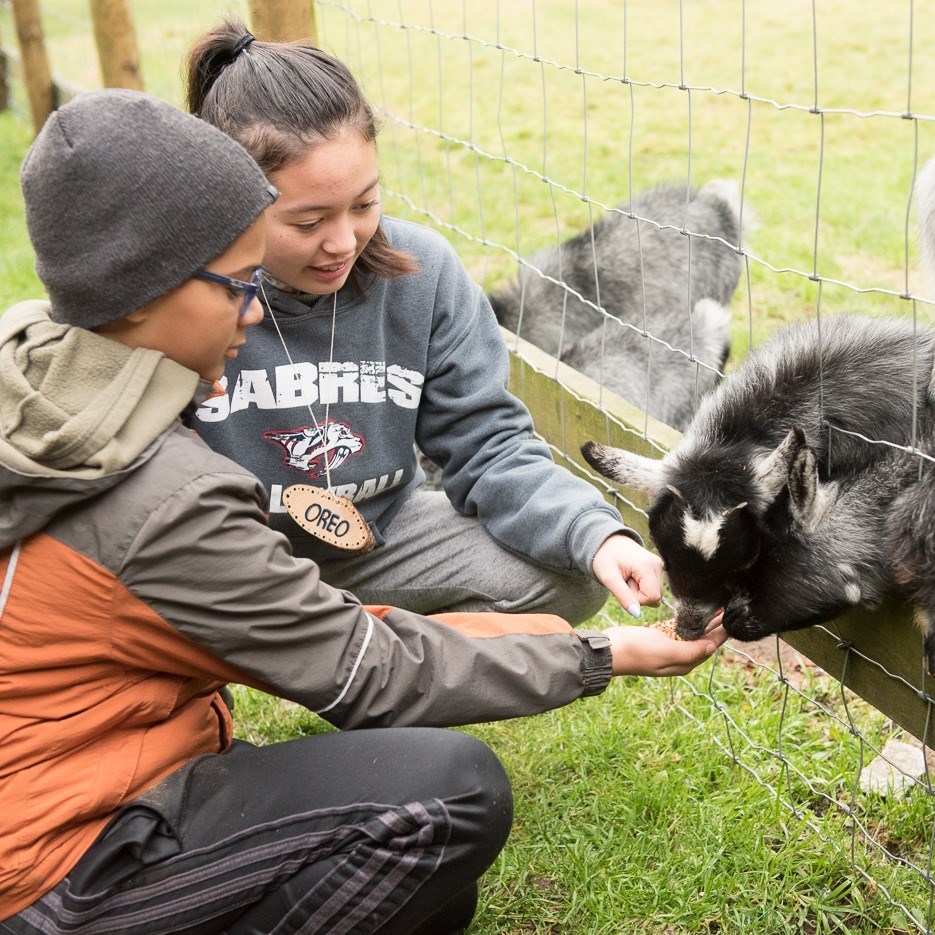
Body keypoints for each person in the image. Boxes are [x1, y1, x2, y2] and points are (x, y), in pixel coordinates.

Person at [0, 89, 726, 935]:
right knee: (448, 793)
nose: (249, 309)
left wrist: (585, 553)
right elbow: (370, 670)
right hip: (48, 865)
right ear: (141, 287)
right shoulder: (164, 495)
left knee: (431, 894)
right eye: (238, 283)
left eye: (367, 203)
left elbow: (482, 444)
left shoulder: (53, 385)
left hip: (105, 753)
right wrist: (600, 656)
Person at [185, 20, 664, 626]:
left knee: (566, 577)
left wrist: (595, 534)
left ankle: (376, 656)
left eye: (364, 204)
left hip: (375, 542)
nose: (343, 242)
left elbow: (487, 441)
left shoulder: (424, 273)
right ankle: (321, 646)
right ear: (235, 198)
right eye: (307, 222)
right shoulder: (184, 293)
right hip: (223, 564)